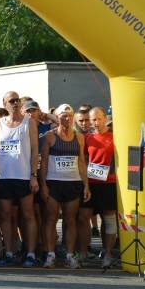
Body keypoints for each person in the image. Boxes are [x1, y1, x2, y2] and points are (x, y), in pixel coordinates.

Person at [0, 92, 40, 267]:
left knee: (27, 215)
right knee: (5, 215)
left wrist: (33, 176)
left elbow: (35, 151)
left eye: (17, 100)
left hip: (23, 176)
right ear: (5, 104)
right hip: (4, 176)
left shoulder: (29, 122)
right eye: (12, 101)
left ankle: (31, 253)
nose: (16, 103)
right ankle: (9, 251)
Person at [39, 104, 90, 269]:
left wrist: (86, 186)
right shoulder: (49, 136)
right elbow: (44, 162)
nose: (67, 119)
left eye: (69, 116)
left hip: (73, 183)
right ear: (58, 117)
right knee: (51, 219)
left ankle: (69, 255)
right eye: (63, 116)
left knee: (70, 220)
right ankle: (50, 255)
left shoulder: (79, 137)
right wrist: (43, 184)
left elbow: (81, 163)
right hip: (54, 183)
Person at [79, 106, 118, 268]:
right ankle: (82, 253)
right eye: (92, 119)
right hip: (91, 184)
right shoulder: (87, 138)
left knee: (108, 219)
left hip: (109, 184)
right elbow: (84, 161)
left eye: (98, 119)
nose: (95, 123)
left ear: (105, 119)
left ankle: (107, 254)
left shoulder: (115, 136)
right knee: (83, 219)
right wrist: (85, 183)